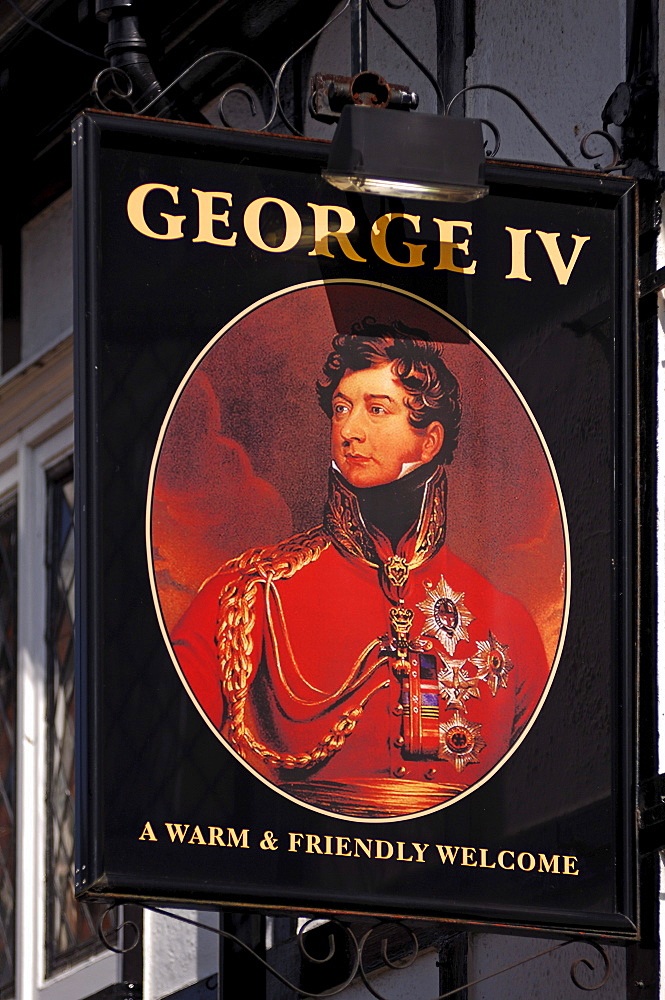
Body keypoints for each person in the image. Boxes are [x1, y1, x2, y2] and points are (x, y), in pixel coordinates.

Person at [170, 317, 551, 819]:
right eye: (341, 410)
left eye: (376, 410)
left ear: (429, 441)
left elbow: (547, 795)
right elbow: (170, 777)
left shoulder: (507, 624)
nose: (349, 430)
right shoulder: (247, 597)